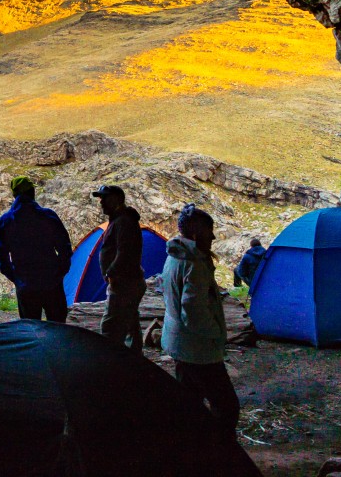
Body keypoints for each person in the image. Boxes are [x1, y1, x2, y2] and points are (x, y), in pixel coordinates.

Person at [162, 203, 239, 442]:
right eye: (209, 231)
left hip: (179, 344)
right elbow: (193, 312)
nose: (213, 236)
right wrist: (216, 333)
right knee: (227, 407)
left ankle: (189, 448)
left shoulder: (175, 255)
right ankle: (219, 452)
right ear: (196, 234)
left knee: (188, 402)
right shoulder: (194, 264)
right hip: (198, 349)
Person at [0, 176, 73, 322]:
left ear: (14, 195)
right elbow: (64, 247)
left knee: (31, 330)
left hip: (26, 284)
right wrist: (60, 272)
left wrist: (16, 278)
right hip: (52, 282)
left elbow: (1, 256)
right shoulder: (48, 216)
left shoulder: (6, 221)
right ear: (32, 192)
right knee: (58, 327)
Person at [93, 184, 146, 353]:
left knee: (110, 325)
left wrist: (111, 273)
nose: (101, 203)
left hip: (124, 282)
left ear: (116, 200)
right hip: (129, 281)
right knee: (130, 321)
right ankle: (134, 360)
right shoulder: (121, 219)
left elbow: (125, 251)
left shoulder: (123, 221)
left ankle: (112, 362)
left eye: (104, 199)